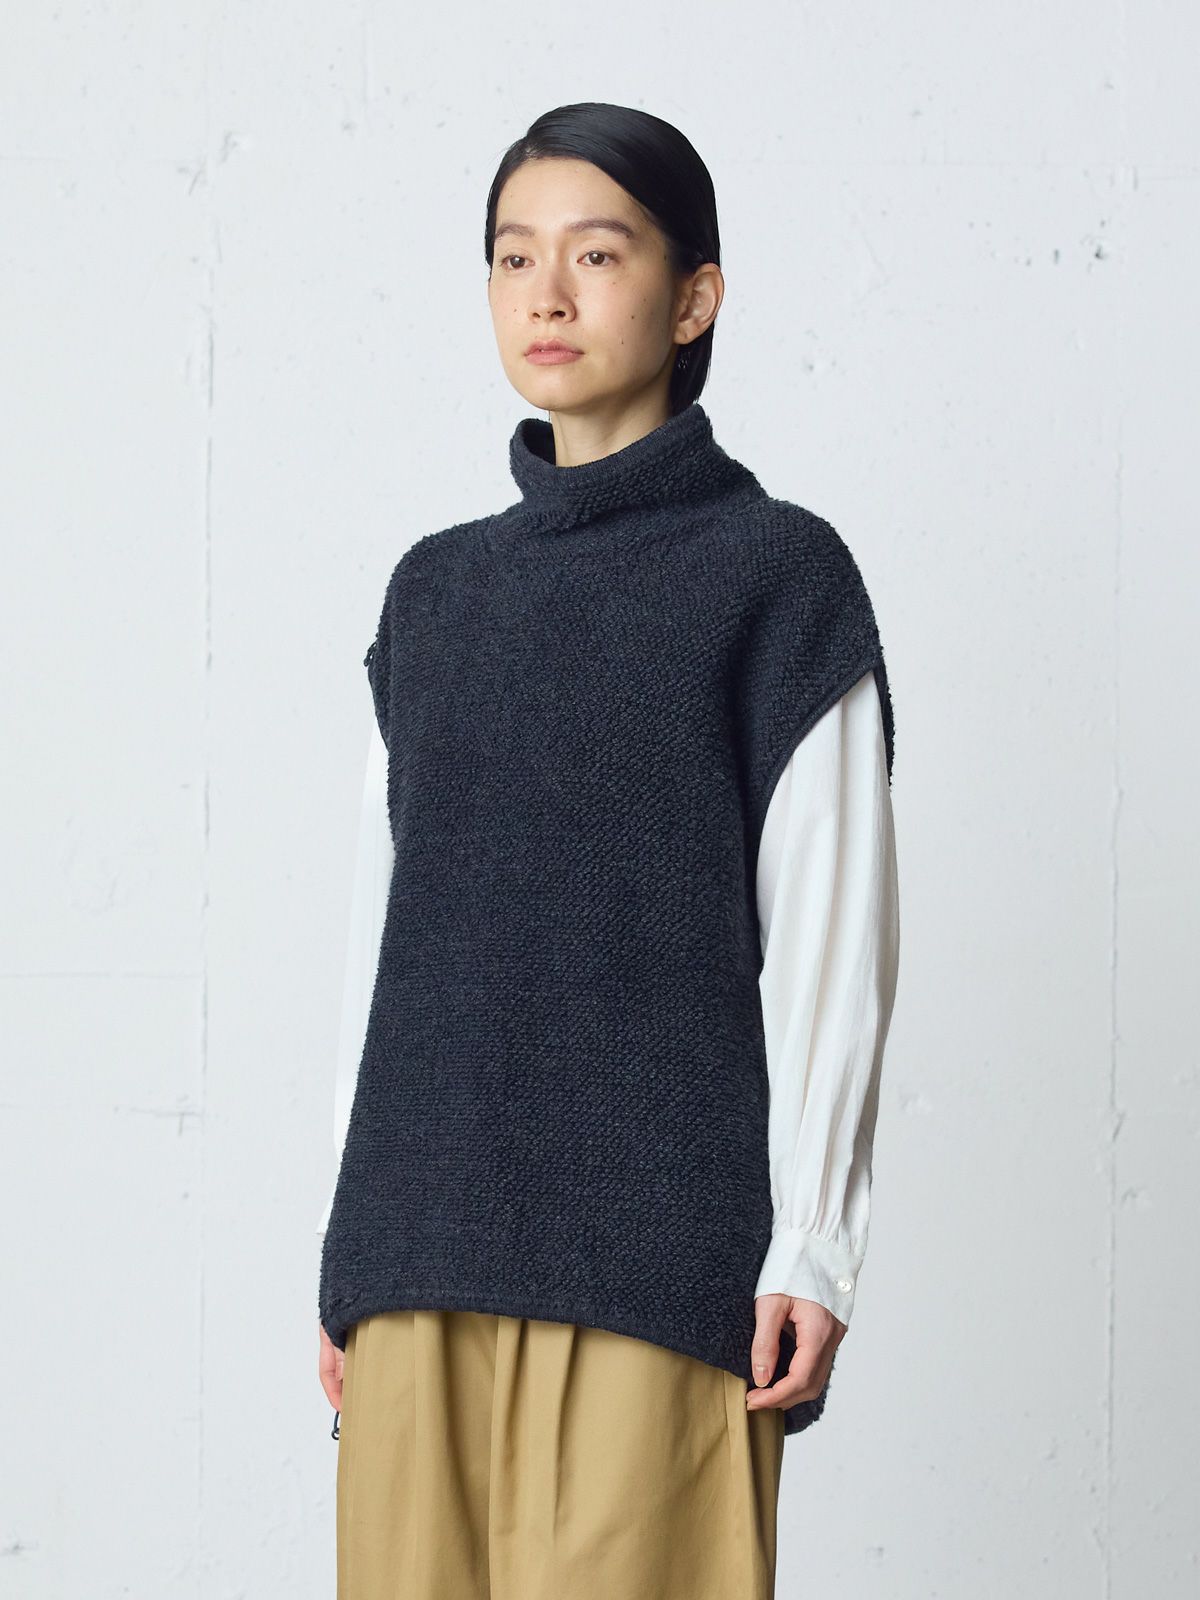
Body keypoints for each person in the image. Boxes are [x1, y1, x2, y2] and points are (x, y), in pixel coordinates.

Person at [315, 102, 900, 1600]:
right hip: (420, 1255)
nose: (548, 295)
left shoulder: (776, 577)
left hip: (658, 1261)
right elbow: (394, 943)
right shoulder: (435, 596)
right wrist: (350, 1245)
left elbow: (832, 930)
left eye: (597, 253)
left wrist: (812, 1244)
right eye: (515, 257)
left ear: (695, 296)